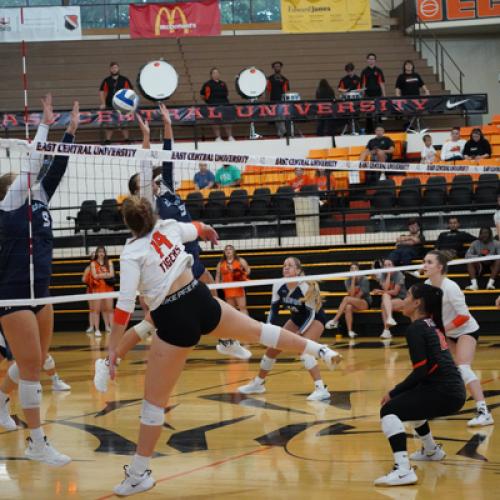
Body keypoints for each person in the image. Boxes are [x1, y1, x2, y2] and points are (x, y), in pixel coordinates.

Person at [104, 197, 341, 496]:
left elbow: (124, 307)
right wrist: (211, 234)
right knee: (260, 331)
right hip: (199, 298)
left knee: (153, 404)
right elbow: (202, 228)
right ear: (151, 215)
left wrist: (111, 348)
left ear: (128, 225)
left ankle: (138, 474)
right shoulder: (169, 226)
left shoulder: (131, 252)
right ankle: (316, 349)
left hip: (173, 316)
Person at [95, 105, 250, 393]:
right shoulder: (149, 204)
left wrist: (166, 125)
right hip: (175, 264)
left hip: (189, 251)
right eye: (146, 182)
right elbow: (145, 163)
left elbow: (167, 154)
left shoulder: (166, 188)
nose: (152, 181)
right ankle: (226, 340)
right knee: (205, 296)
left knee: (156, 321)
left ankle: (108, 361)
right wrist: (144, 136)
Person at [0, 95, 78, 466]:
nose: (27, 182)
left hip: (41, 292)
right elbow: (33, 165)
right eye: (19, 181)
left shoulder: (40, 199)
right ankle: (37, 442)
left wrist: (70, 133)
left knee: (38, 359)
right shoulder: (8, 206)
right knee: (31, 368)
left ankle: (0, 400)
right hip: (13, 295)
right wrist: (44, 126)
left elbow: (55, 167)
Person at [375, 283, 465, 486]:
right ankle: (431, 450)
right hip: (452, 390)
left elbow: (420, 372)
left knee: (389, 410)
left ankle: (403, 469)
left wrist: (393, 391)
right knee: (410, 402)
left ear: (416, 303)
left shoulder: (416, 328)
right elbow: (425, 373)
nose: (403, 300)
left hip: (444, 391)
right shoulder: (430, 324)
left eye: (406, 296)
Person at [238, 257, 331, 401]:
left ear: (298, 270)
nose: (286, 268)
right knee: (272, 348)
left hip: (315, 319)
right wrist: (268, 331)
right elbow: (273, 310)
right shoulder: (278, 285)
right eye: (284, 265)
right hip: (296, 318)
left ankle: (321, 388)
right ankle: (259, 383)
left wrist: (299, 334)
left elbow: (311, 314)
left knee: (304, 349)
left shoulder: (307, 286)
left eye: (290, 265)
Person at [424, 250, 493, 426]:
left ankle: (484, 412)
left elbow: (464, 316)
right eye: (425, 262)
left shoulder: (450, 287)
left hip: (465, 331)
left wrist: (442, 329)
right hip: (447, 333)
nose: (425, 265)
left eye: (429, 262)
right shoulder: (426, 286)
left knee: (463, 367)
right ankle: (439, 406)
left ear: (440, 267)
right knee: (442, 369)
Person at [325, 263, 372, 338]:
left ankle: (335, 320)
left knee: (346, 299)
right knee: (348, 307)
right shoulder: (347, 281)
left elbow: (358, 296)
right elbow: (352, 295)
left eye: (355, 268)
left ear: (359, 270)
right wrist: (353, 280)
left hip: (365, 302)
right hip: (353, 302)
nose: (353, 270)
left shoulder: (364, 279)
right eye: (351, 269)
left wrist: (351, 298)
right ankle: (350, 331)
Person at [99, 62, 133, 144]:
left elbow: (130, 91)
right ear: (110, 69)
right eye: (112, 68)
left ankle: (127, 139)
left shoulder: (124, 79)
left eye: (116, 68)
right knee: (109, 124)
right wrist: (103, 103)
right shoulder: (106, 80)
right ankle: (108, 140)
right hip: (110, 106)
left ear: (118, 68)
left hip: (122, 106)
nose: (114, 69)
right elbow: (102, 92)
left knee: (124, 124)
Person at [373, 259, 407, 339]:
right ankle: (390, 318)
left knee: (383, 303)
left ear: (393, 266)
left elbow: (395, 292)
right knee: (384, 298)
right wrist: (388, 274)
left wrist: (380, 291)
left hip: (402, 299)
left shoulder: (398, 274)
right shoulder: (382, 275)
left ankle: (386, 330)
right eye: (385, 265)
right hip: (390, 300)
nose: (387, 266)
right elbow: (386, 288)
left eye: (389, 264)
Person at [215, 245, 251, 318]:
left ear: (234, 251)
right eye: (226, 250)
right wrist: (216, 286)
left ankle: (246, 324)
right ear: (224, 252)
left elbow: (248, 270)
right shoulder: (221, 264)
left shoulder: (240, 260)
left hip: (238, 287)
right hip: (227, 288)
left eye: (230, 249)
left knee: (242, 307)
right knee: (232, 309)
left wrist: (242, 275)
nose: (228, 251)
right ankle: (235, 326)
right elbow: (218, 276)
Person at [200, 68, 234, 141]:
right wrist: (209, 102)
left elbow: (226, 94)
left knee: (227, 121)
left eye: (217, 73)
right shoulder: (207, 84)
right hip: (213, 106)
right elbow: (203, 95)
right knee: (215, 121)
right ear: (211, 75)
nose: (216, 74)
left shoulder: (223, 83)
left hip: (225, 105)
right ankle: (218, 137)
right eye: (214, 73)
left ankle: (230, 136)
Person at [88, 246, 115, 337]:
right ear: (96, 253)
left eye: (103, 251)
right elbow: (95, 276)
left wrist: (101, 275)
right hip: (97, 289)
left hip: (108, 289)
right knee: (96, 310)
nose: (101, 253)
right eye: (99, 251)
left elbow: (111, 274)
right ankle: (97, 329)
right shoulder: (93, 263)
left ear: (105, 253)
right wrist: (105, 275)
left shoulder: (109, 262)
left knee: (109, 309)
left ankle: (109, 327)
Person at [361, 53, 385, 133]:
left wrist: (384, 95)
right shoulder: (364, 71)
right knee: (369, 115)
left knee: (378, 115)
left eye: (373, 59)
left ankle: (380, 131)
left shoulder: (378, 71)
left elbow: (381, 83)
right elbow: (363, 85)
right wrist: (363, 96)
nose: (371, 60)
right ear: (367, 60)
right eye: (370, 59)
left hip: (378, 95)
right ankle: (369, 131)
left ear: (375, 60)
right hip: (368, 96)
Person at [266, 61, 290, 137]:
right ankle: (282, 132)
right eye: (276, 66)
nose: (277, 68)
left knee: (281, 117)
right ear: (273, 68)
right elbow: (268, 91)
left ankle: (281, 133)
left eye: (278, 66)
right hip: (273, 101)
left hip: (282, 101)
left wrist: (287, 102)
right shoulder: (270, 79)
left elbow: (286, 92)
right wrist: (267, 102)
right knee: (277, 117)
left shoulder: (285, 79)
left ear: (281, 67)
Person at [82, 252, 95, 333]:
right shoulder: (88, 268)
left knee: (106, 309)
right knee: (92, 309)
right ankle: (91, 326)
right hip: (91, 290)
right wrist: (89, 279)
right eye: (93, 256)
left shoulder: (103, 267)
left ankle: (108, 326)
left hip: (102, 290)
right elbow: (83, 279)